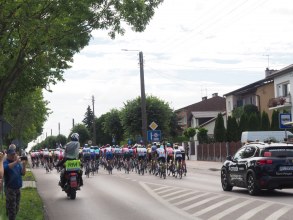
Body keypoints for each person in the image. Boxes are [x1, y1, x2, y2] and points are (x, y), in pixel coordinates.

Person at [3, 148, 27, 220]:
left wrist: (24, 165)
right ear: (8, 155)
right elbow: (6, 168)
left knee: (16, 207)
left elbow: (23, 173)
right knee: (12, 209)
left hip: (18, 189)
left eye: (14, 154)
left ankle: (9, 212)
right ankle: (11, 216)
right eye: (12, 155)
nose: (13, 156)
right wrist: (16, 162)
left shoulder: (17, 163)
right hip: (10, 189)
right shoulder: (6, 162)